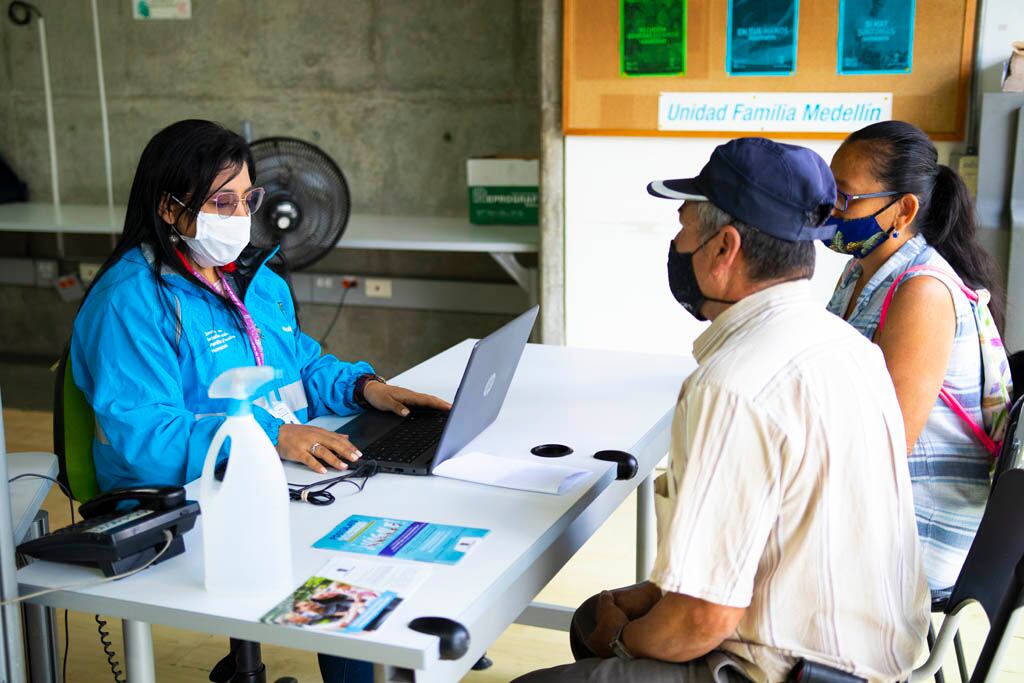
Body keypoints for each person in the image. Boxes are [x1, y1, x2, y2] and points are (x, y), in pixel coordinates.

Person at [515, 138, 929, 683]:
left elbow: (700, 622)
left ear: (724, 249)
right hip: (871, 654)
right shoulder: (848, 347)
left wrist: (617, 637)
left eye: (684, 225)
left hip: (785, 671)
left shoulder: (731, 388)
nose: (676, 242)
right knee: (589, 620)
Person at [70, 119, 449, 683]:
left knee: (399, 533)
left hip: (279, 476)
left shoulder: (251, 276)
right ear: (170, 208)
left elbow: (299, 362)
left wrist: (364, 387)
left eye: (247, 198)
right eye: (221, 201)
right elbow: (143, 437)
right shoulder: (132, 300)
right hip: (191, 496)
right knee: (354, 573)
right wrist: (271, 439)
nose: (239, 215)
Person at [823, 120, 1011, 595]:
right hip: (877, 505)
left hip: (918, 530)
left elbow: (887, 441)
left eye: (845, 197)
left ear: (903, 210)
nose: (831, 208)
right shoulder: (859, 269)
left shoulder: (922, 290)